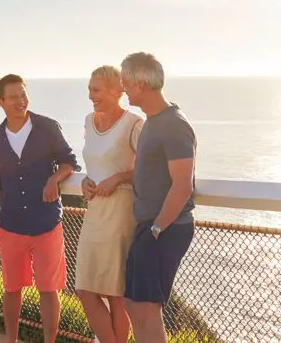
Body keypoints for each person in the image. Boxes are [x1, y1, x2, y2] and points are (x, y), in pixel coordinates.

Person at [0, 74, 79, 343]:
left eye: (24, 94)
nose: (21, 101)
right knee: (11, 288)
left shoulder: (48, 127)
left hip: (46, 223)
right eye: (14, 97)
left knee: (49, 289)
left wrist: (54, 178)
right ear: (0, 101)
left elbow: (69, 162)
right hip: (11, 224)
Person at [120, 52, 197, 343]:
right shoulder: (153, 121)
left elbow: (182, 186)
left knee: (148, 308)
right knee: (133, 304)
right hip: (150, 226)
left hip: (165, 227)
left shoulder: (173, 124)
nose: (123, 87)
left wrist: (156, 229)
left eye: (126, 81)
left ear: (140, 83)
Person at [76, 66, 144, 343]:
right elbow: (93, 163)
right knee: (85, 289)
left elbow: (150, 171)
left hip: (120, 213)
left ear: (117, 91)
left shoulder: (134, 124)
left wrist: (119, 177)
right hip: (94, 211)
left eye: (96, 90)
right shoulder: (88, 121)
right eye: (89, 89)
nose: (91, 95)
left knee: (116, 294)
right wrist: (85, 182)